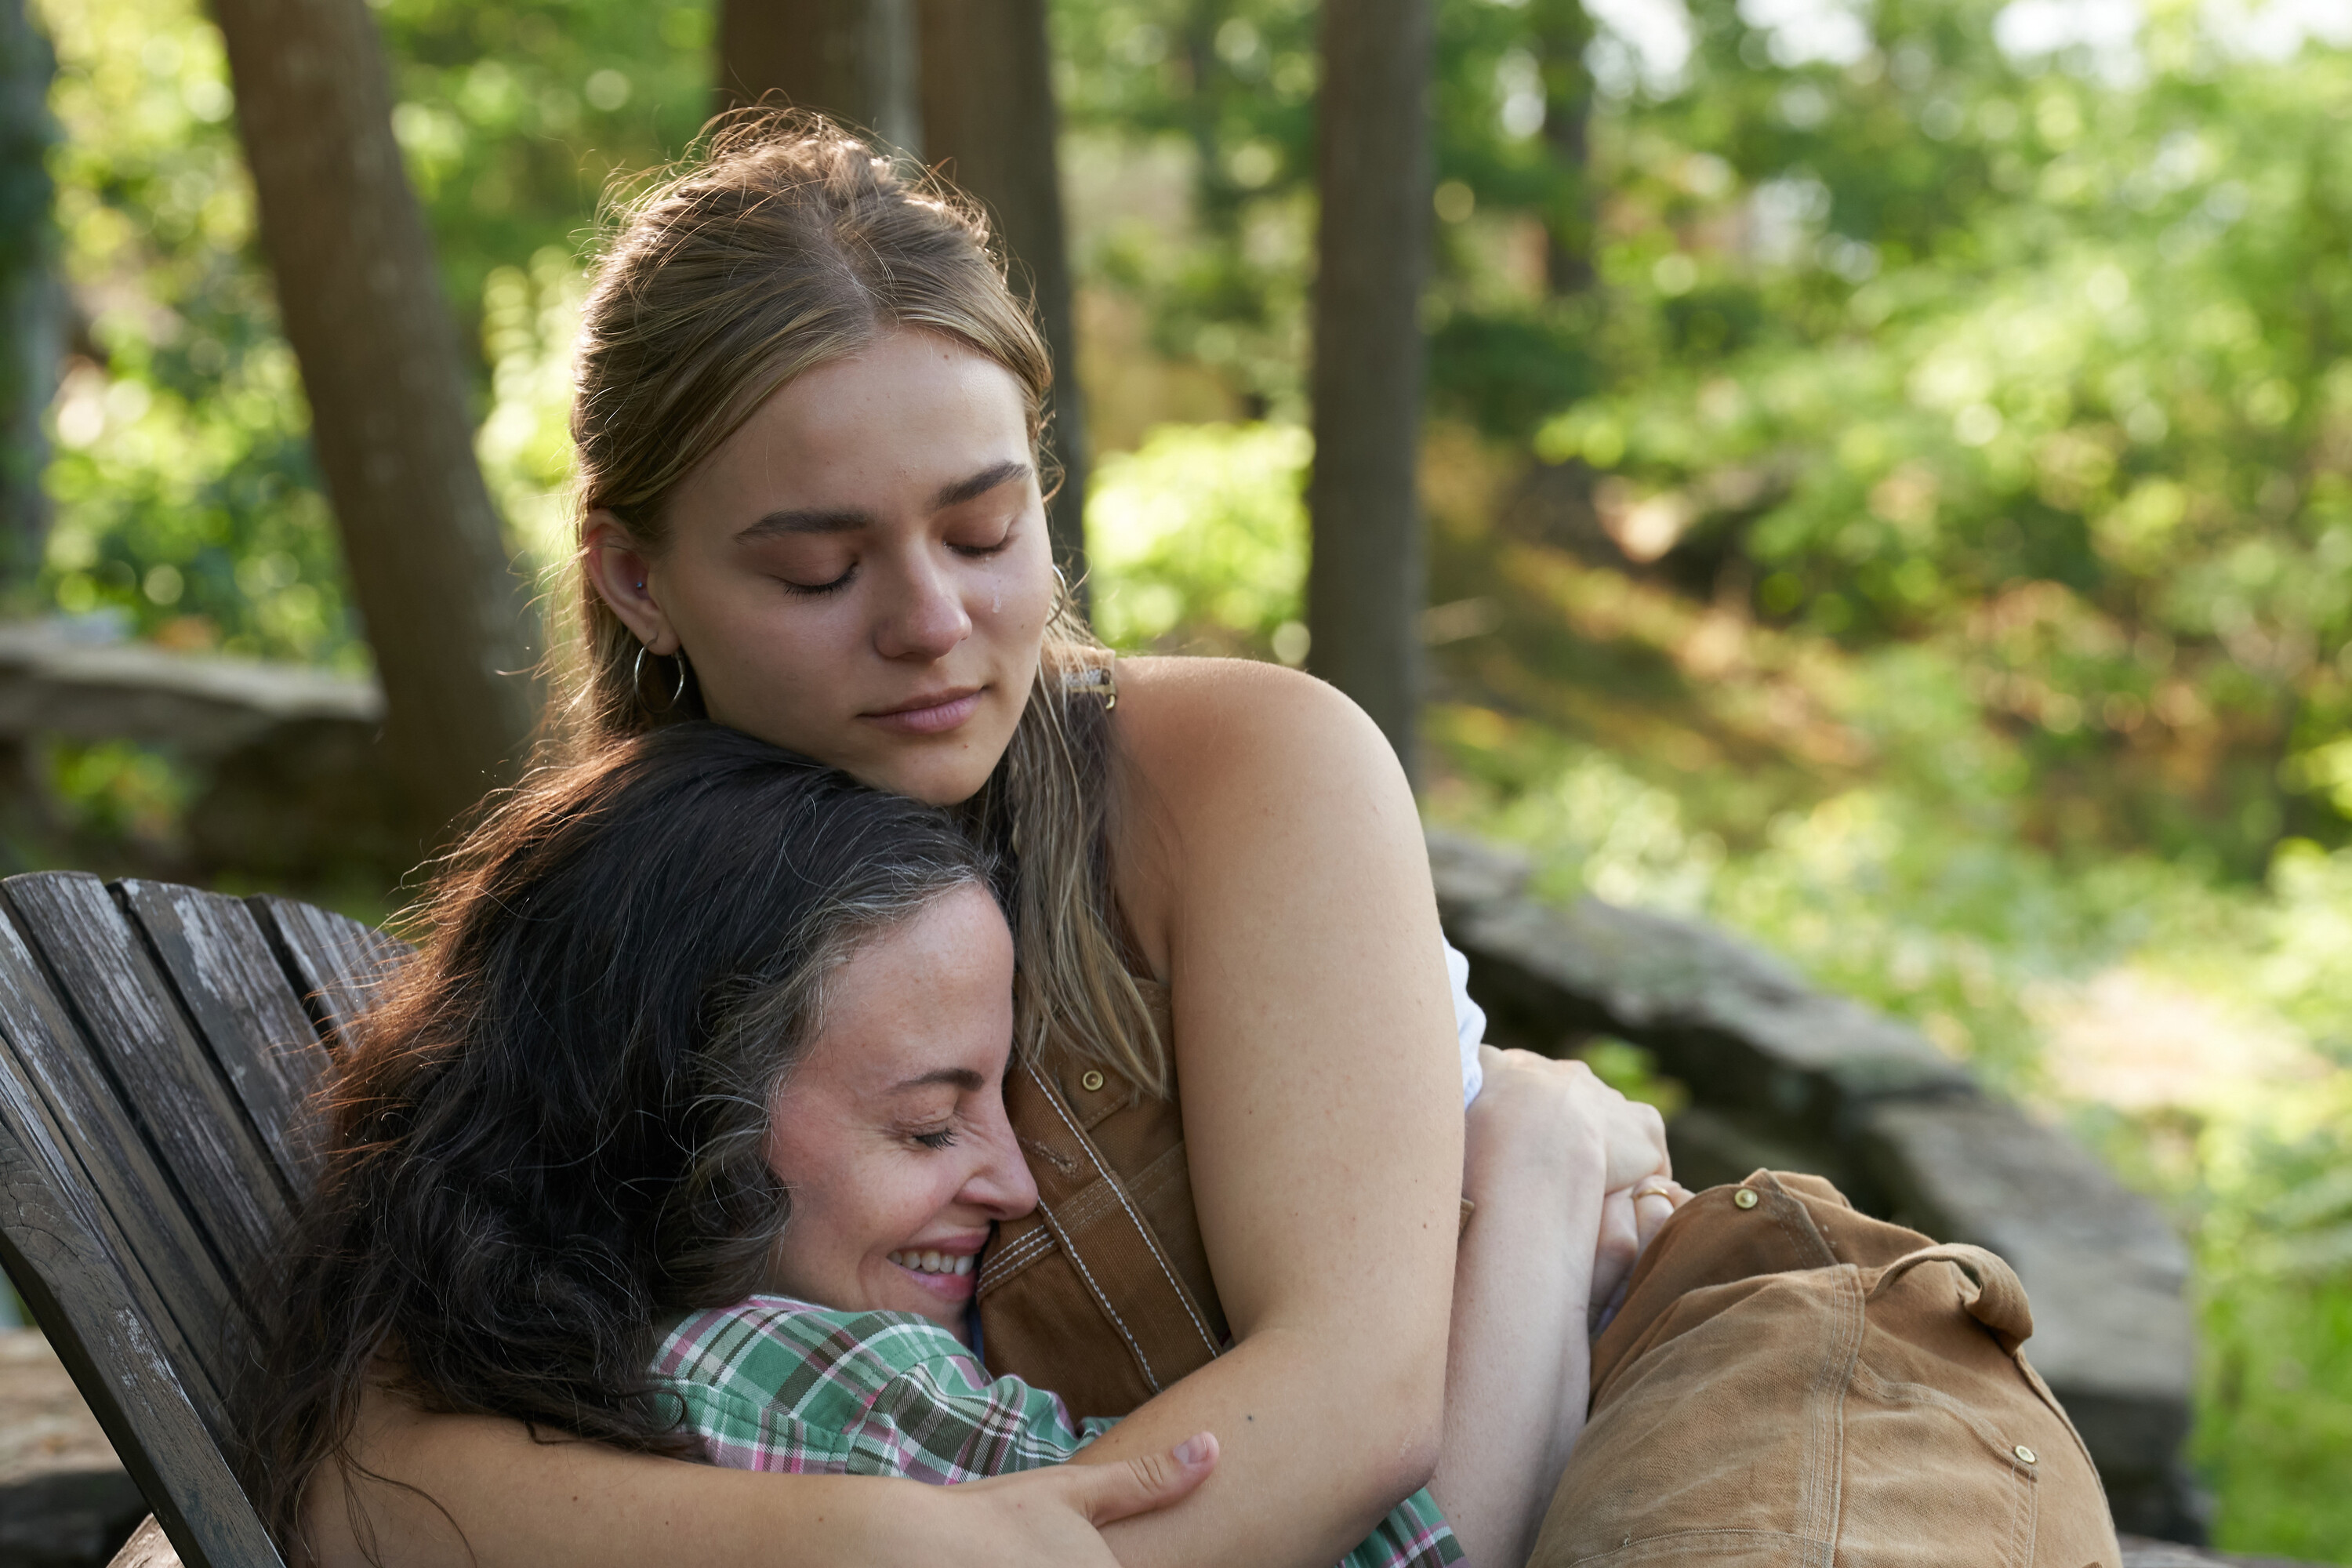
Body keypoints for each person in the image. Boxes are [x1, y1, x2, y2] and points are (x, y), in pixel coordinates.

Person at [299, 110, 1675, 1568]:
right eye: (820, 570)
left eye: (981, 535)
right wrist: (879, 1543)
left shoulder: (1248, 767)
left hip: (1668, 1410)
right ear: (639, 578)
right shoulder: (618, 922)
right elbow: (372, 1481)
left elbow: (1355, 1408)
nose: (932, 626)